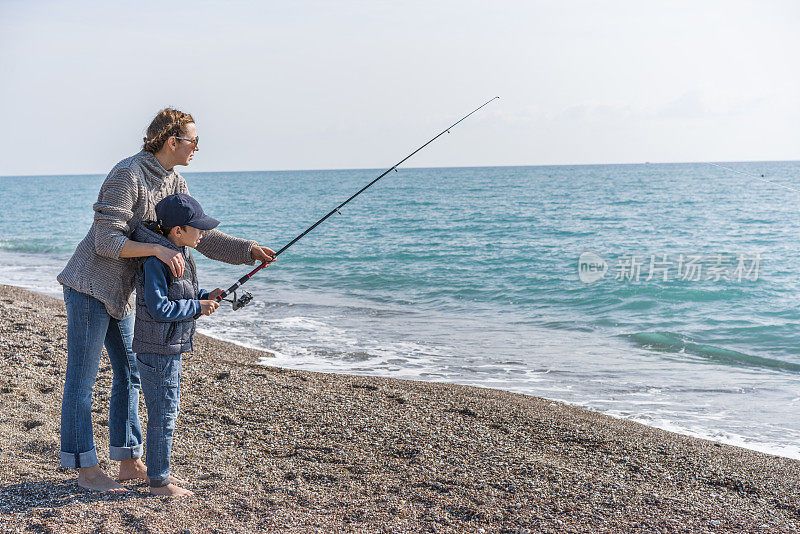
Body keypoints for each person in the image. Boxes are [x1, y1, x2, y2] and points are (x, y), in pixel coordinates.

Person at [57, 108, 275, 492]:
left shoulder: (177, 182)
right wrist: (157, 253)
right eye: (194, 141)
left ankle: (128, 461)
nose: (197, 148)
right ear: (171, 141)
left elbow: (197, 236)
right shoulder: (128, 174)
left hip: (127, 293)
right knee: (82, 380)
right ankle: (86, 469)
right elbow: (105, 240)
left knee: (130, 374)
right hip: (90, 285)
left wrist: (249, 250)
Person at [133, 193, 223, 497]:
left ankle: (159, 474)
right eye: (197, 228)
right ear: (177, 231)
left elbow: (181, 297)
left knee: (165, 410)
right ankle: (159, 481)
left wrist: (208, 296)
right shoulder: (157, 262)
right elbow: (159, 309)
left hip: (167, 347)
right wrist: (198, 307)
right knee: (164, 412)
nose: (202, 233)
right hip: (158, 349)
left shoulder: (181, 254)